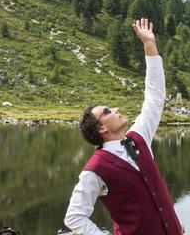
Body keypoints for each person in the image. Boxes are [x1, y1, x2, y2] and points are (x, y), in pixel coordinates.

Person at [64, 17, 181, 235]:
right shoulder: (95, 169)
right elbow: (74, 217)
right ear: (102, 129)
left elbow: (155, 97)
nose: (116, 109)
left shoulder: (139, 138)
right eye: (107, 112)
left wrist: (149, 45)